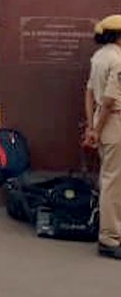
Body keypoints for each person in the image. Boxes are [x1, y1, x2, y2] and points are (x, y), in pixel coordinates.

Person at [85, 14, 121, 259]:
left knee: (110, 178)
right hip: (114, 121)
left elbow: (89, 93)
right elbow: (110, 100)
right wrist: (97, 130)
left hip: (102, 120)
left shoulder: (99, 56)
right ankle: (109, 238)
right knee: (113, 182)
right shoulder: (118, 60)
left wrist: (92, 127)